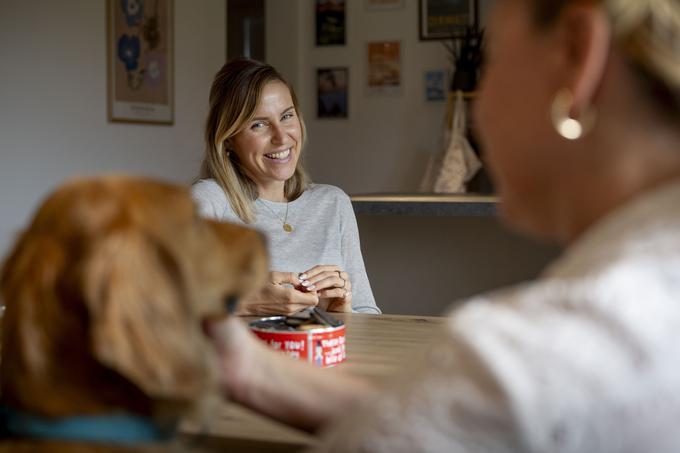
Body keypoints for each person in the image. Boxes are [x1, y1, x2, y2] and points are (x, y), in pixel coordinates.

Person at [205, 0, 680, 451]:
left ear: (577, 59)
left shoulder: (531, 356)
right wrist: (246, 366)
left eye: (494, 63)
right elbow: (435, 418)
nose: (476, 108)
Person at [192, 58, 380, 316]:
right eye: (259, 124)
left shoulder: (333, 203)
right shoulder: (209, 199)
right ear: (228, 140)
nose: (281, 137)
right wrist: (248, 302)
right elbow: (157, 306)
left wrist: (343, 312)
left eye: (287, 116)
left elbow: (369, 315)